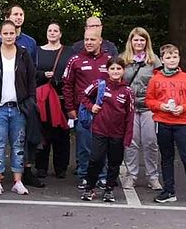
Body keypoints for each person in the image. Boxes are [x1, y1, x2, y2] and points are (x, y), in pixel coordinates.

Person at [146, 44, 186, 206]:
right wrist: (162, 106)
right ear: (162, 60)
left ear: (179, 58)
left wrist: (183, 108)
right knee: (167, 157)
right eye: (168, 57)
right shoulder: (155, 79)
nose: (172, 60)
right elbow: (149, 100)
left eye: (174, 56)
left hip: (182, 123)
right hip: (162, 123)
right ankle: (169, 191)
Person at [0, 20, 36, 195]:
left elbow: (31, 80)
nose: (9, 36)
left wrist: (30, 101)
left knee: (18, 145)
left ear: (16, 35)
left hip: (19, 108)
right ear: (0, 35)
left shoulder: (24, 54)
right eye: (6, 33)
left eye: (12, 33)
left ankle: (18, 181)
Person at [63, 29, 113, 189]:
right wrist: (70, 108)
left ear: (101, 41)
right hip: (83, 109)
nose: (89, 42)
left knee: (103, 144)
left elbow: (117, 83)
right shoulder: (75, 60)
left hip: (105, 110)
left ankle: (102, 175)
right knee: (84, 145)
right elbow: (67, 85)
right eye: (86, 39)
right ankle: (84, 175)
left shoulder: (109, 60)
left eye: (92, 39)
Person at [79, 57, 135, 202]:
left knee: (114, 162)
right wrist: (92, 107)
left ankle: (109, 189)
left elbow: (130, 116)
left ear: (123, 71)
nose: (115, 71)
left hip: (118, 133)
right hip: (100, 130)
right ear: (107, 70)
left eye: (118, 69)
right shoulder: (99, 84)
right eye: (112, 69)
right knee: (95, 159)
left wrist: (128, 136)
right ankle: (89, 188)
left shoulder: (128, 91)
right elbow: (83, 95)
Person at [120, 27, 163, 190]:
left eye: (142, 40)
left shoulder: (154, 61)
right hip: (129, 108)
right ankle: (131, 176)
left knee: (150, 142)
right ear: (130, 41)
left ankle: (153, 176)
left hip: (148, 107)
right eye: (136, 39)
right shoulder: (123, 59)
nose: (139, 43)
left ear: (147, 42)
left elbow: (161, 84)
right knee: (131, 143)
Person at [34, 22, 72, 179]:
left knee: (62, 134)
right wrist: (43, 75)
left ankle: (61, 167)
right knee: (43, 133)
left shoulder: (68, 52)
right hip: (43, 99)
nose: (52, 33)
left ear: (60, 34)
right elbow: (31, 73)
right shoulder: (37, 51)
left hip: (61, 98)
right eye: (49, 30)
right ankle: (41, 167)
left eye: (55, 30)